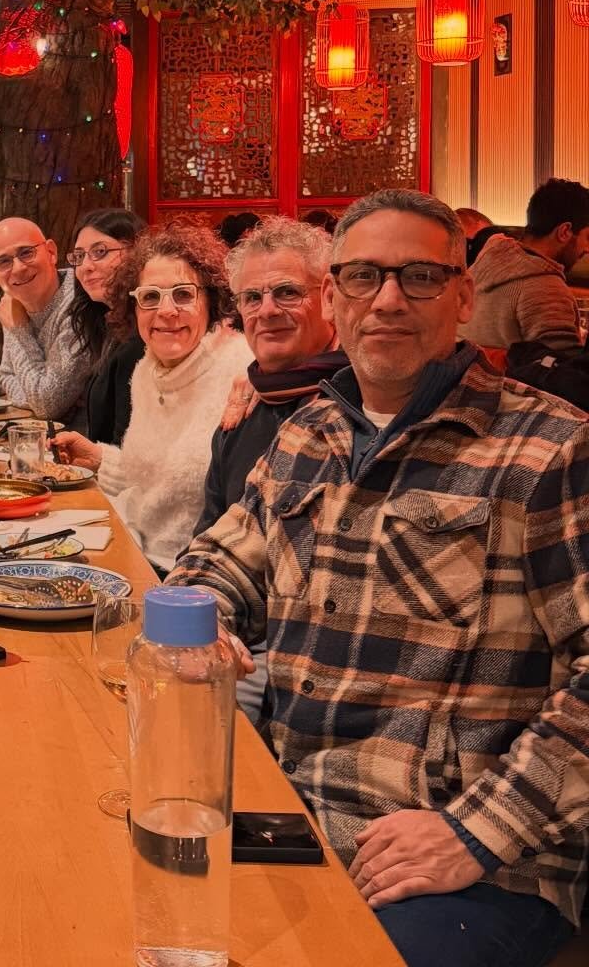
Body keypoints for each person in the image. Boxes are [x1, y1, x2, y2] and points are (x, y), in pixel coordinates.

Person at [170, 189, 589, 967]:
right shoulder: (310, 432)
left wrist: (477, 832)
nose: (388, 299)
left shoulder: (550, 451)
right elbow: (221, 557)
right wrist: (206, 618)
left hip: (474, 864)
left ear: (463, 298)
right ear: (335, 299)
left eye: (420, 278)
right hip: (299, 808)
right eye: (362, 277)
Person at [186, 216, 347, 719]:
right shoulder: (246, 407)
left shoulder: (357, 404)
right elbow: (209, 531)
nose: (267, 310)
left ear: (329, 298)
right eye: (252, 298)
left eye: (286, 293)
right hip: (234, 629)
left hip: (301, 656)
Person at [52, 222, 252, 573]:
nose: (166, 311)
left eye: (183, 294)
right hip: (135, 551)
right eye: (150, 297)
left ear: (212, 299)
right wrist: (99, 459)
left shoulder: (241, 372)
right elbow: (149, 482)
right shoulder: (147, 369)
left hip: (192, 575)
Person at [0, 215, 93, 429]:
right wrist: (39, 396)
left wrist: (18, 329)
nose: (18, 268)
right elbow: (5, 376)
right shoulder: (15, 302)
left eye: (26, 253)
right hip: (44, 441)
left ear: (51, 252)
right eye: (4, 261)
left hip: (88, 450)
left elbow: (47, 404)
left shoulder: (80, 303)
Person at [465, 177, 589, 352]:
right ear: (564, 232)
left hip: (470, 377)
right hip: (506, 379)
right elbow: (564, 371)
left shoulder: (486, 261)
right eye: (587, 238)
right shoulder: (546, 289)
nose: (587, 249)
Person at [63, 208, 145, 445]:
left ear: (136, 252)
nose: (86, 266)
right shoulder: (107, 326)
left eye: (100, 252)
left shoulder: (144, 335)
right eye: (79, 256)